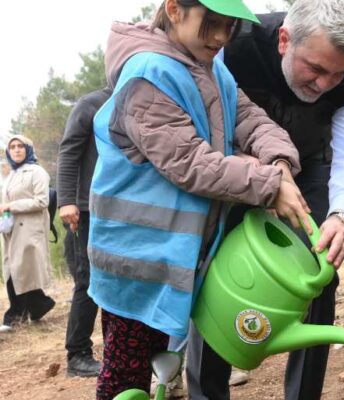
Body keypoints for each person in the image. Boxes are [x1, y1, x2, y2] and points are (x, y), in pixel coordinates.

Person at [86, 1, 307, 398]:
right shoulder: (148, 75)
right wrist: (269, 183)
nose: (222, 37)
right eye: (212, 24)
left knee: (161, 370)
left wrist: (279, 161)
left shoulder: (208, 66)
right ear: (174, 8)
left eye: (230, 27)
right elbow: (190, 163)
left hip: (173, 254)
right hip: (136, 258)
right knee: (125, 377)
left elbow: (248, 118)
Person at [187, 1, 344, 398]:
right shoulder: (233, 48)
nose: (325, 85)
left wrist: (342, 215)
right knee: (218, 267)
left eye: (337, 74)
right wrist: (262, 177)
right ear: (285, 40)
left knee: (320, 270)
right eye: (316, 69)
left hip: (310, 165)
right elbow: (196, 139)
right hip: (232, 164)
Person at [56, 88, 111, 377]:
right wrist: (66, 200)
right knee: (87, 280)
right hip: (85, 208)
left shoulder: (140, 98)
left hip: (119, 207)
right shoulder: (92, 103)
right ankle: (77, 355)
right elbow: (68, 152)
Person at [0, 135, 56, 333]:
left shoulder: (37, 172)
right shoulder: (12, 174)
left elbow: (42, 201)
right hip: (12, 229)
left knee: (20, 270)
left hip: (30, 229)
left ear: (28, 149)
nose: (16, 150)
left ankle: (15, 315)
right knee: (14, 269)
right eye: (12, 147)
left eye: (20, 146)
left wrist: (10, 206)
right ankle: (40, 304)